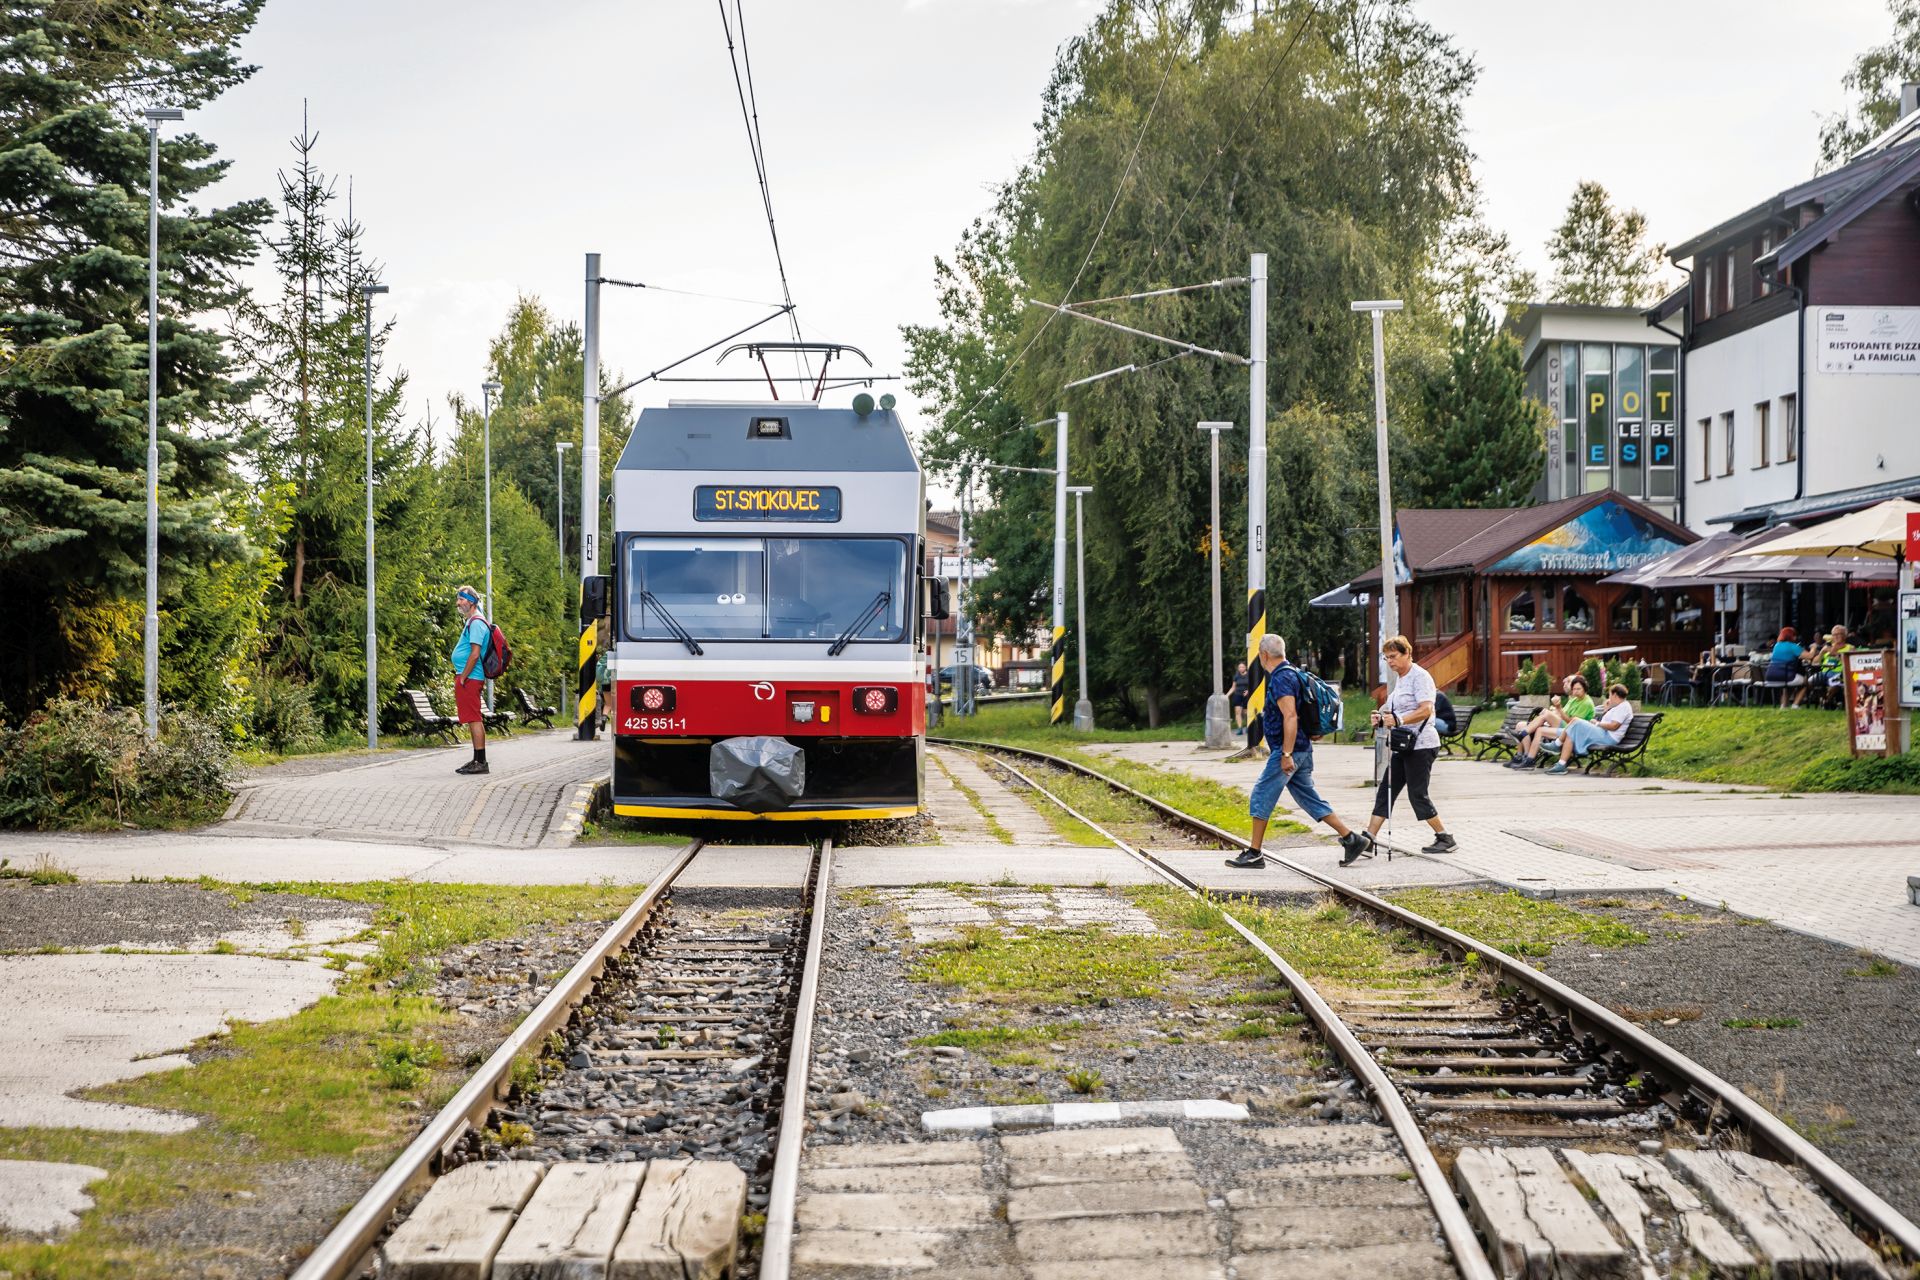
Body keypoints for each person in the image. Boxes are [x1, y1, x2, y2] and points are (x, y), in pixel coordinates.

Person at [1226, 634, 1370, 870]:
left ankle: (1254, 853)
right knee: (1309, 797)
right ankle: (1351, 839)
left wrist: (1285, 754)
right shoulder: (1293, 672)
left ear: (1263, 655)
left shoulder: (1281, 678)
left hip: (1290, 750)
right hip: (1301, 748)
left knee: (1261, 793)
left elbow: (1291, 715)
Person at [1363, 636, 1455, 854]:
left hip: (1422, 745)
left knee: (1417, 794)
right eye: (1387, 658)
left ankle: (1445, 837)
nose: (1390, 662)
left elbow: (1426, 709)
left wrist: (1399, 720)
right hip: (1404, 746)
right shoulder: (1401, 680)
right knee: (1387, 791)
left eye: (1394, 657)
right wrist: (1380, 715)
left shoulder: (1420, 677)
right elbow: (1393, 707)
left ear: (1407, 654)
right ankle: (1368, 839)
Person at [1507, 675, 1594, 769]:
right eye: (1574, 689)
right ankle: (1529, 760)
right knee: (1540, 729)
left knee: (1546, 714)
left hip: (1573, 731)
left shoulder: (1586, 703)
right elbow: (1564, 714)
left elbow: (1572, 722)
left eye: (1578, 689)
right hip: (1566, 728)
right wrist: (1556, 711)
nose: (1576, 691)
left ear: (1585, 689)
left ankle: (1522, 734)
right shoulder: (1575, 700)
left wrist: (1558, 709)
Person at [1546, 682, 1633, 773]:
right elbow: (1610, 722)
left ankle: (1557, 744)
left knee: (1576, 720)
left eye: (1610, 695)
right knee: (1571, 732)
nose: (1609, 698)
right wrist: (1607, 709)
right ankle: (1561, 764)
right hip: (1604, 733)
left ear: (1615, 695)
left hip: (1608, 737)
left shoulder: (1623, 707)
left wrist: (1597, 723)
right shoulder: (1619, 706)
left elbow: (1614, 726)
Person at [450, 586, 491, 775]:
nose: (458, 603)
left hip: (471, 678)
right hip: (469, 677)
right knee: (472, 717)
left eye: (462, 599)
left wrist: (463, 677)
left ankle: (481, 761)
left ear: (471, 602)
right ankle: (477, 759)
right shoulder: (472, 622)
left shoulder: (476, 623)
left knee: (474, 718)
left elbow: (474, 654)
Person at [1765, 626, 1810, 707]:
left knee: (1789, 685)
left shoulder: (1777, 645)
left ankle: (1784, 705)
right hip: (1785, 676)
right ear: (1791, 636)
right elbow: (1810, 656)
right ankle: (1795, 705)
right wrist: (1813, 648)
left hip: (1770, 676)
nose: (1796, 637)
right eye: (1794, 635)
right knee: (1806, 682)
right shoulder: (1793, 646)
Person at [1228, 661, 1251, 731]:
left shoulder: (1249, 675)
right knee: (1237, 712)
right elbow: (1233, 687)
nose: (1241, 668)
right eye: (1240, 667)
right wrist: (1226, 695)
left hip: (1246, 696)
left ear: (1246, 667)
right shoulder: (1236, 676)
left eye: (1242, 667)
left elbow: (1253, 686)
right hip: (1237, 695)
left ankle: (1248, 727)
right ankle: (1239, 728)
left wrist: (1248, 691)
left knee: (1246, 712)